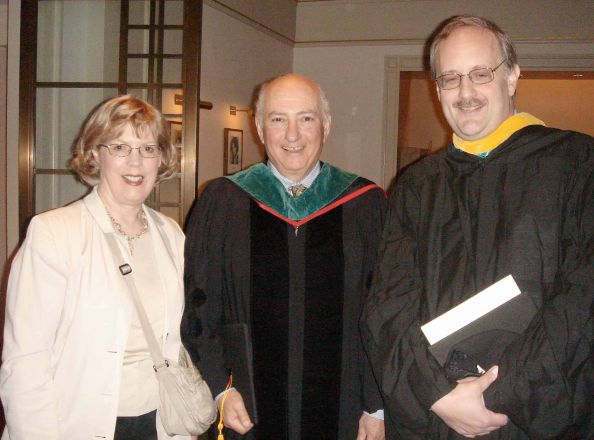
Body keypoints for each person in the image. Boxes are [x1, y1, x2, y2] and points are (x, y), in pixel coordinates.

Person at [361, 14, 594, 439]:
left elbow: (583, 298)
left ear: (512, 77)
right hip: (438, 416)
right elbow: (388, 307)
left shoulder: (577, 163)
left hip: (538, 415)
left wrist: (496, 394)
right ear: (437, 90)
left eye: (480, 74)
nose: (465, 92)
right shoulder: (416, 184)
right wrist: (439, 395)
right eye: (450, 79)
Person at [181, 73, 387, 440]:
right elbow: (199, 305)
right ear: (260, 127)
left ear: (326, 125)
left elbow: (385, 311)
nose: (292, 135)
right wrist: (219, 389)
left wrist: (377, 405)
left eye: (306, 118)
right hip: (248, 404)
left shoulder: (366, 206)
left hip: (346, 409)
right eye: (278, 119)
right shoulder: (223, 203)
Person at [0, 95, 190, 439]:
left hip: (159, 423)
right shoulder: (54, 233)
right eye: (120, 147)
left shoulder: (171, 235)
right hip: (77, 423)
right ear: (95, 154)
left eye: (148, 149)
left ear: (161, 158)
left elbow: (175, 342)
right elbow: (26, 362)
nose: (136, 162)